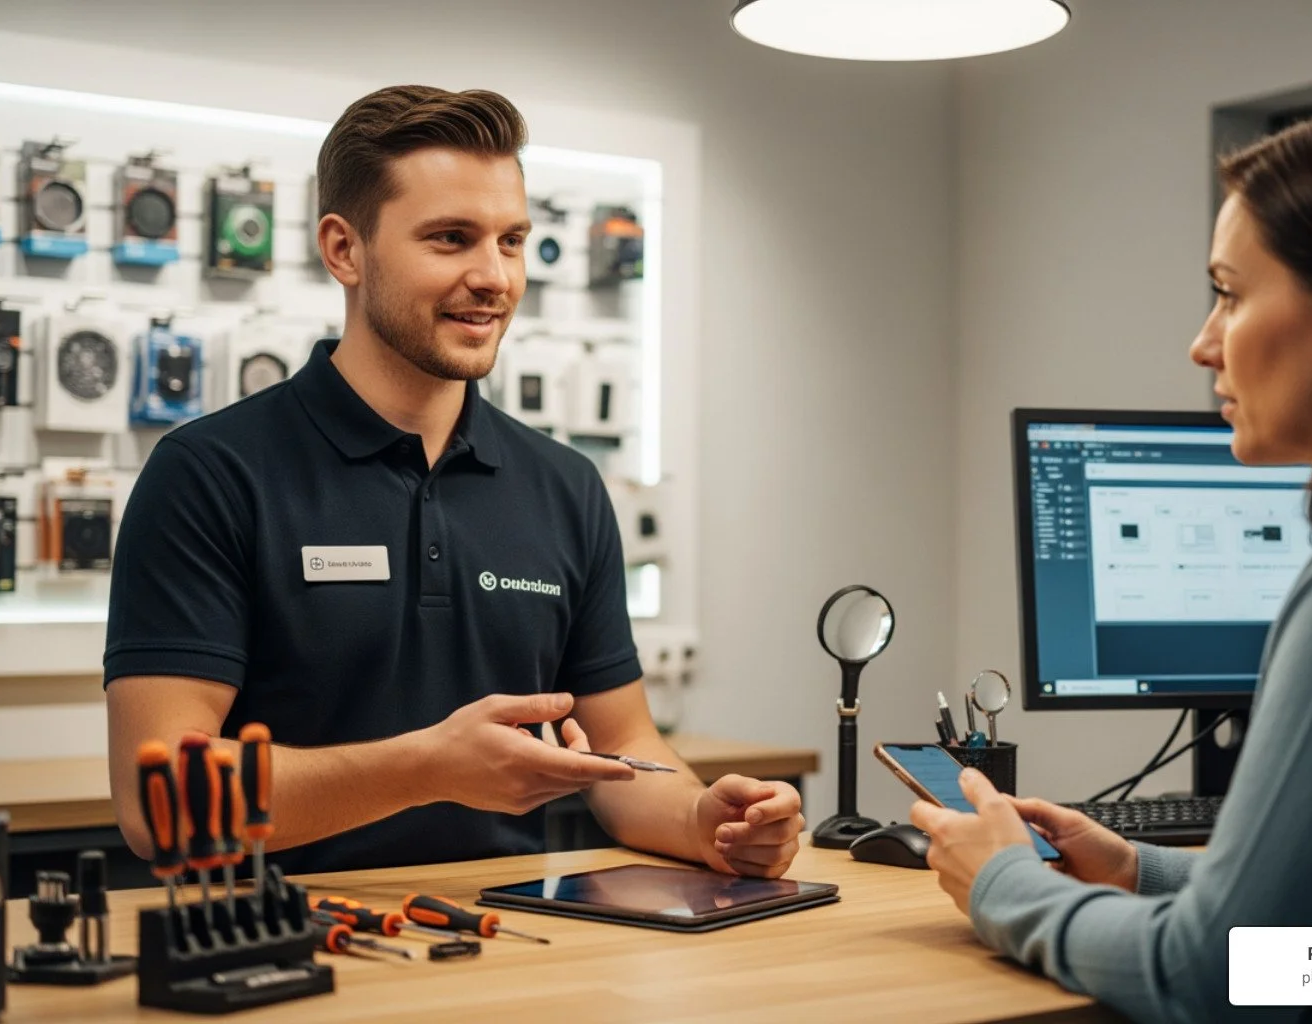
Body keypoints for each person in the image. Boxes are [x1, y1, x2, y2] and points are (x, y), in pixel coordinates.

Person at [912, 97, 1312, 1022]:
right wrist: (1140, 869)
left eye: (1230, 293)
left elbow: (1210, 978)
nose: (1204, 343)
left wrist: (1005, 885)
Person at [105, 85, 802, 879]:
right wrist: (426, 767)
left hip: (511, 949)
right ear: (344, 250)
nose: (494, 277)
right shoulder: (210, 474)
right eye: (450, 239)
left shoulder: (566, 486)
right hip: (276, 956)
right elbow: (156, 803)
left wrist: (701, 819)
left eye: (511, 241)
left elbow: (624, 746)